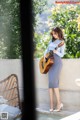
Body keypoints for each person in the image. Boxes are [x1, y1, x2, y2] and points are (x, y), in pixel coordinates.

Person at [44, 27, 65, 112]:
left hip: (57, 63)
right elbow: (47, 50)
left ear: (59, 33)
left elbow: (62, 54)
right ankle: (51, 105)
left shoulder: (62, 42)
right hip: (50, 63)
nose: (54, 35)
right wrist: (44, 56)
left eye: (55, 33)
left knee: (54, 83)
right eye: (52, 34)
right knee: (50, 84)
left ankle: (59, 104)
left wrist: (56, 52)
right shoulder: (51, 41)